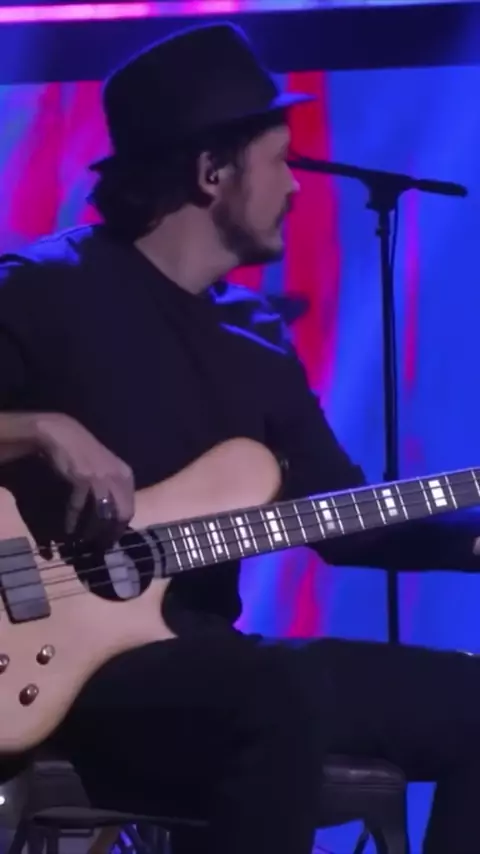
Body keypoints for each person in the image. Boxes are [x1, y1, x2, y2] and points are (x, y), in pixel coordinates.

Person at [1, 22, 480, 854]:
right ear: (211, 172)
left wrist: (469, 535)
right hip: (71, 677)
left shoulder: (255, 339)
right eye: (281, 160)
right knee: (275, 690)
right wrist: (41, 429)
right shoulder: (43, 291)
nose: (296, 188)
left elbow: (344, 520)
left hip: (205, 664)